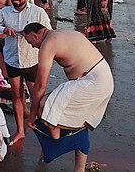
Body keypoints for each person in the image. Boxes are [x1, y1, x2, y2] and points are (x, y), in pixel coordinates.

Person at [23, 24, 114, 160]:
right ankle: (77, 158)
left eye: (30, 42)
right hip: (103, 79)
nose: (32, 46)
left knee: (45, 105)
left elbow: (40, 85)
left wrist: (32, 114)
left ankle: (55, 144)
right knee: (71, 118)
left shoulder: (48, 44)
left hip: (94, 83)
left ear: (35, 35)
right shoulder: (63, 32)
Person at [0, 0, 52, 145]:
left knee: (38, 98)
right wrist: (3, 30)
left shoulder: (38, 12)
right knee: (17, 96)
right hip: (12, 60)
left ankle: (43, 133)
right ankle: (20, 131)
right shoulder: (5, 12)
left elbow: (49, 32)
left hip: (32, 61)